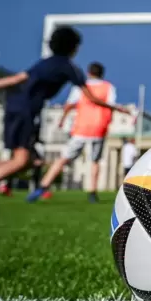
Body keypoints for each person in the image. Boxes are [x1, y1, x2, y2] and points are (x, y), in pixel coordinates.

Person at [0, 26, 129, 207]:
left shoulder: (45, 62)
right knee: (21, 161)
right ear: (73, 47)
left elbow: (17, 78)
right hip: (28, 111)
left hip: (13, 106)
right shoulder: (70, 68)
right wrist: (117, 109)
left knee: (26, 161)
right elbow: (91, 98)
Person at [27, 62, 119, 204]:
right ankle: (92, 193)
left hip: (81, 128)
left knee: (63, 158)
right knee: (95, 161)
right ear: (102, 73)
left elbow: (69, 104)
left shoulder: (81, 87)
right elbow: (111, 105)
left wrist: (62, 119)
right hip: (99, 128)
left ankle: (42, 186)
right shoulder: (108, 87)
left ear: (89, 73)